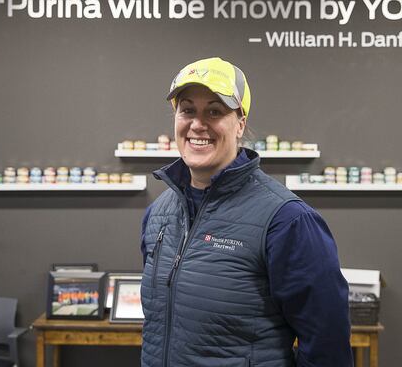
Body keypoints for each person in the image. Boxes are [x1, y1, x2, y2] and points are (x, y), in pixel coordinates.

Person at [140, 57, 353, 367]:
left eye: (214, 111)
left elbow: (327, 345)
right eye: (187, 110)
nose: (198, 124)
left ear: (240, 124)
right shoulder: (158, 214)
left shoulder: (288, 220)